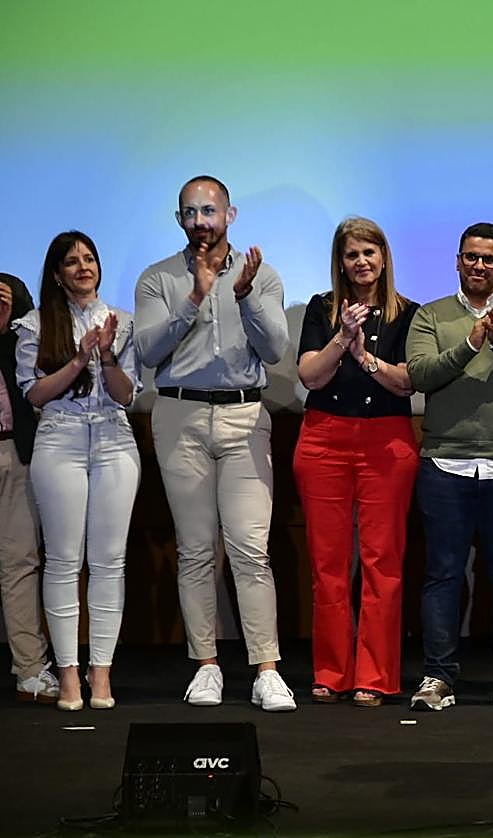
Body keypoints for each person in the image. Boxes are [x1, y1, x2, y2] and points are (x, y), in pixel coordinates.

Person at [134, 175, 296, 712]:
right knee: (197, 549)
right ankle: (205, 665)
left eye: (210, 211)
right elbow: (149, 350)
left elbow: (275, 350)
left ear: (231, 214)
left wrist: (243, 296)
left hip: (245, 414)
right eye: (190, 213)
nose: (200, 222)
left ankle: (266, 669)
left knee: (252, 549)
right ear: (179, 219)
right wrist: (196, 296)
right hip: (179, 413)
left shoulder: (262, 275)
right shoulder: (158, 279)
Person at [405, 222, 493, 712]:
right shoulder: (430, 315)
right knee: (443, 574)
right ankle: (437, 676)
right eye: (471, 257)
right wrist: (470, 342)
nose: (479, 266)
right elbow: (420, 375)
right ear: (458, 261)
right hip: (445, 463)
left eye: (489, 259)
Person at [295, 217, 420, 707]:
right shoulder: (321, 309)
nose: (362, 262)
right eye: (352, 255)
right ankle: (331, 671)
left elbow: (407, 381)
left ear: (384, 258)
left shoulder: (408, 313)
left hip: (386, 442)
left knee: (381, 563)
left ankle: (376, 674)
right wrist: (342, 338)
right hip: (324, 438)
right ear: (340, 263)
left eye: (370, 253)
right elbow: (309, 376)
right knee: (327, 564)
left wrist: (366, 356)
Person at [13, 232, 140, 711]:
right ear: (56, 273)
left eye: (90, 259)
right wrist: (79, 357)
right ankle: (68, 673)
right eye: (72, 261)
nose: (83, 267)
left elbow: (128, 394)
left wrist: (105, 356)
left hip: (113, 437)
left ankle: (101, 671)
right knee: (64, 560)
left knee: (110, 561)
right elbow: (36, 395)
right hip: (60, 437)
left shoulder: (122, 322)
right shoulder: (32, 325)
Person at [1, 272, 59, 704]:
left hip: (11, 452)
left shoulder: (13, 299)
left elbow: (29, 382)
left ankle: (30, 669)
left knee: (20, 561)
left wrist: (5, 329)